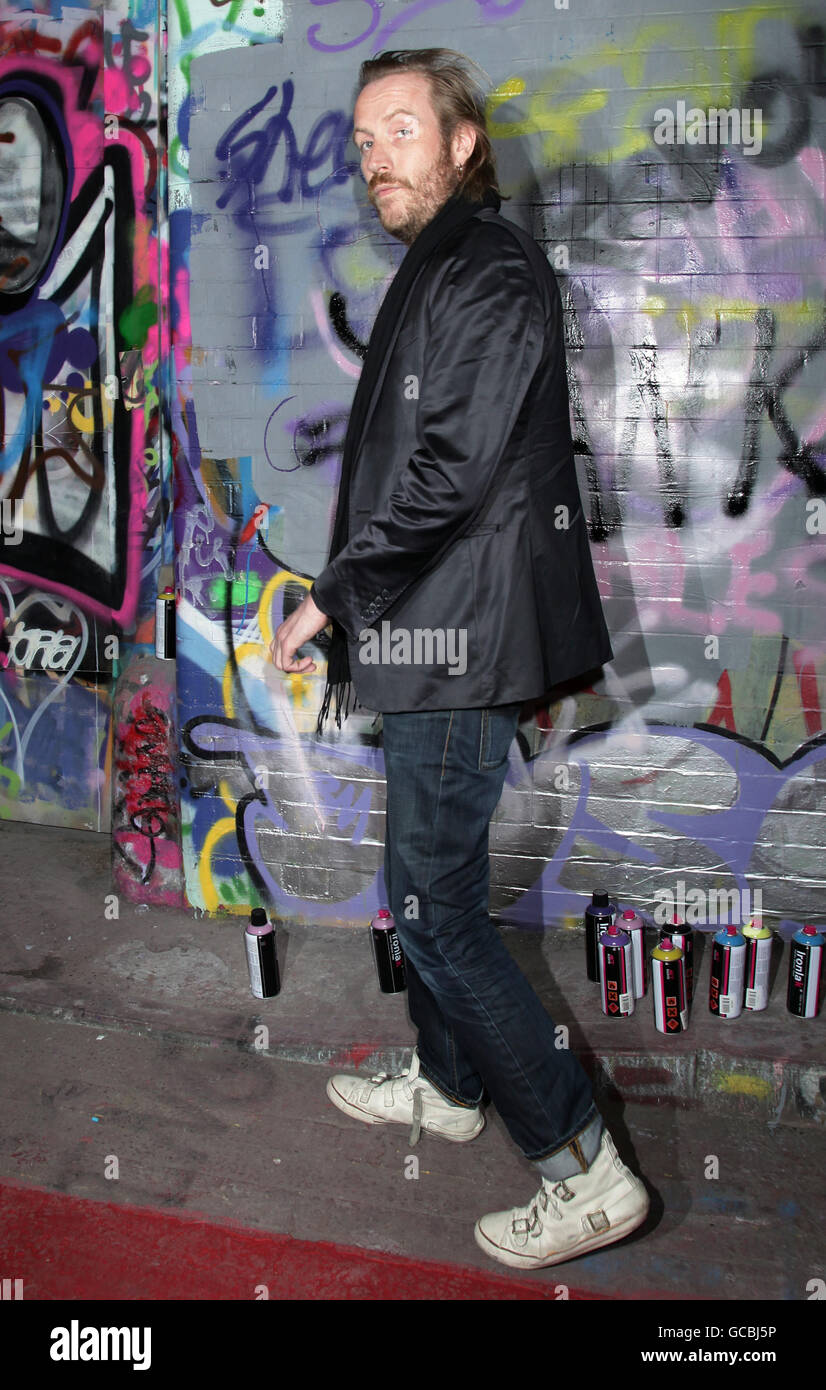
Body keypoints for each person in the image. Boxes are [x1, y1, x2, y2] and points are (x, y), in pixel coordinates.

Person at [270, 47, 650, 1270]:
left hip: (459, 637)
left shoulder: (484, 265)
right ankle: (445, 1081)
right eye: (364, 137)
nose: (374, 155)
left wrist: (336, 598)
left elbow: (451, 470)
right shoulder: (445, 263)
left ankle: (582, 1165)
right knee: (420, 880)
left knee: (437, 912)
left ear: (463, 140)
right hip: (437, 631)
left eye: (400, 130)